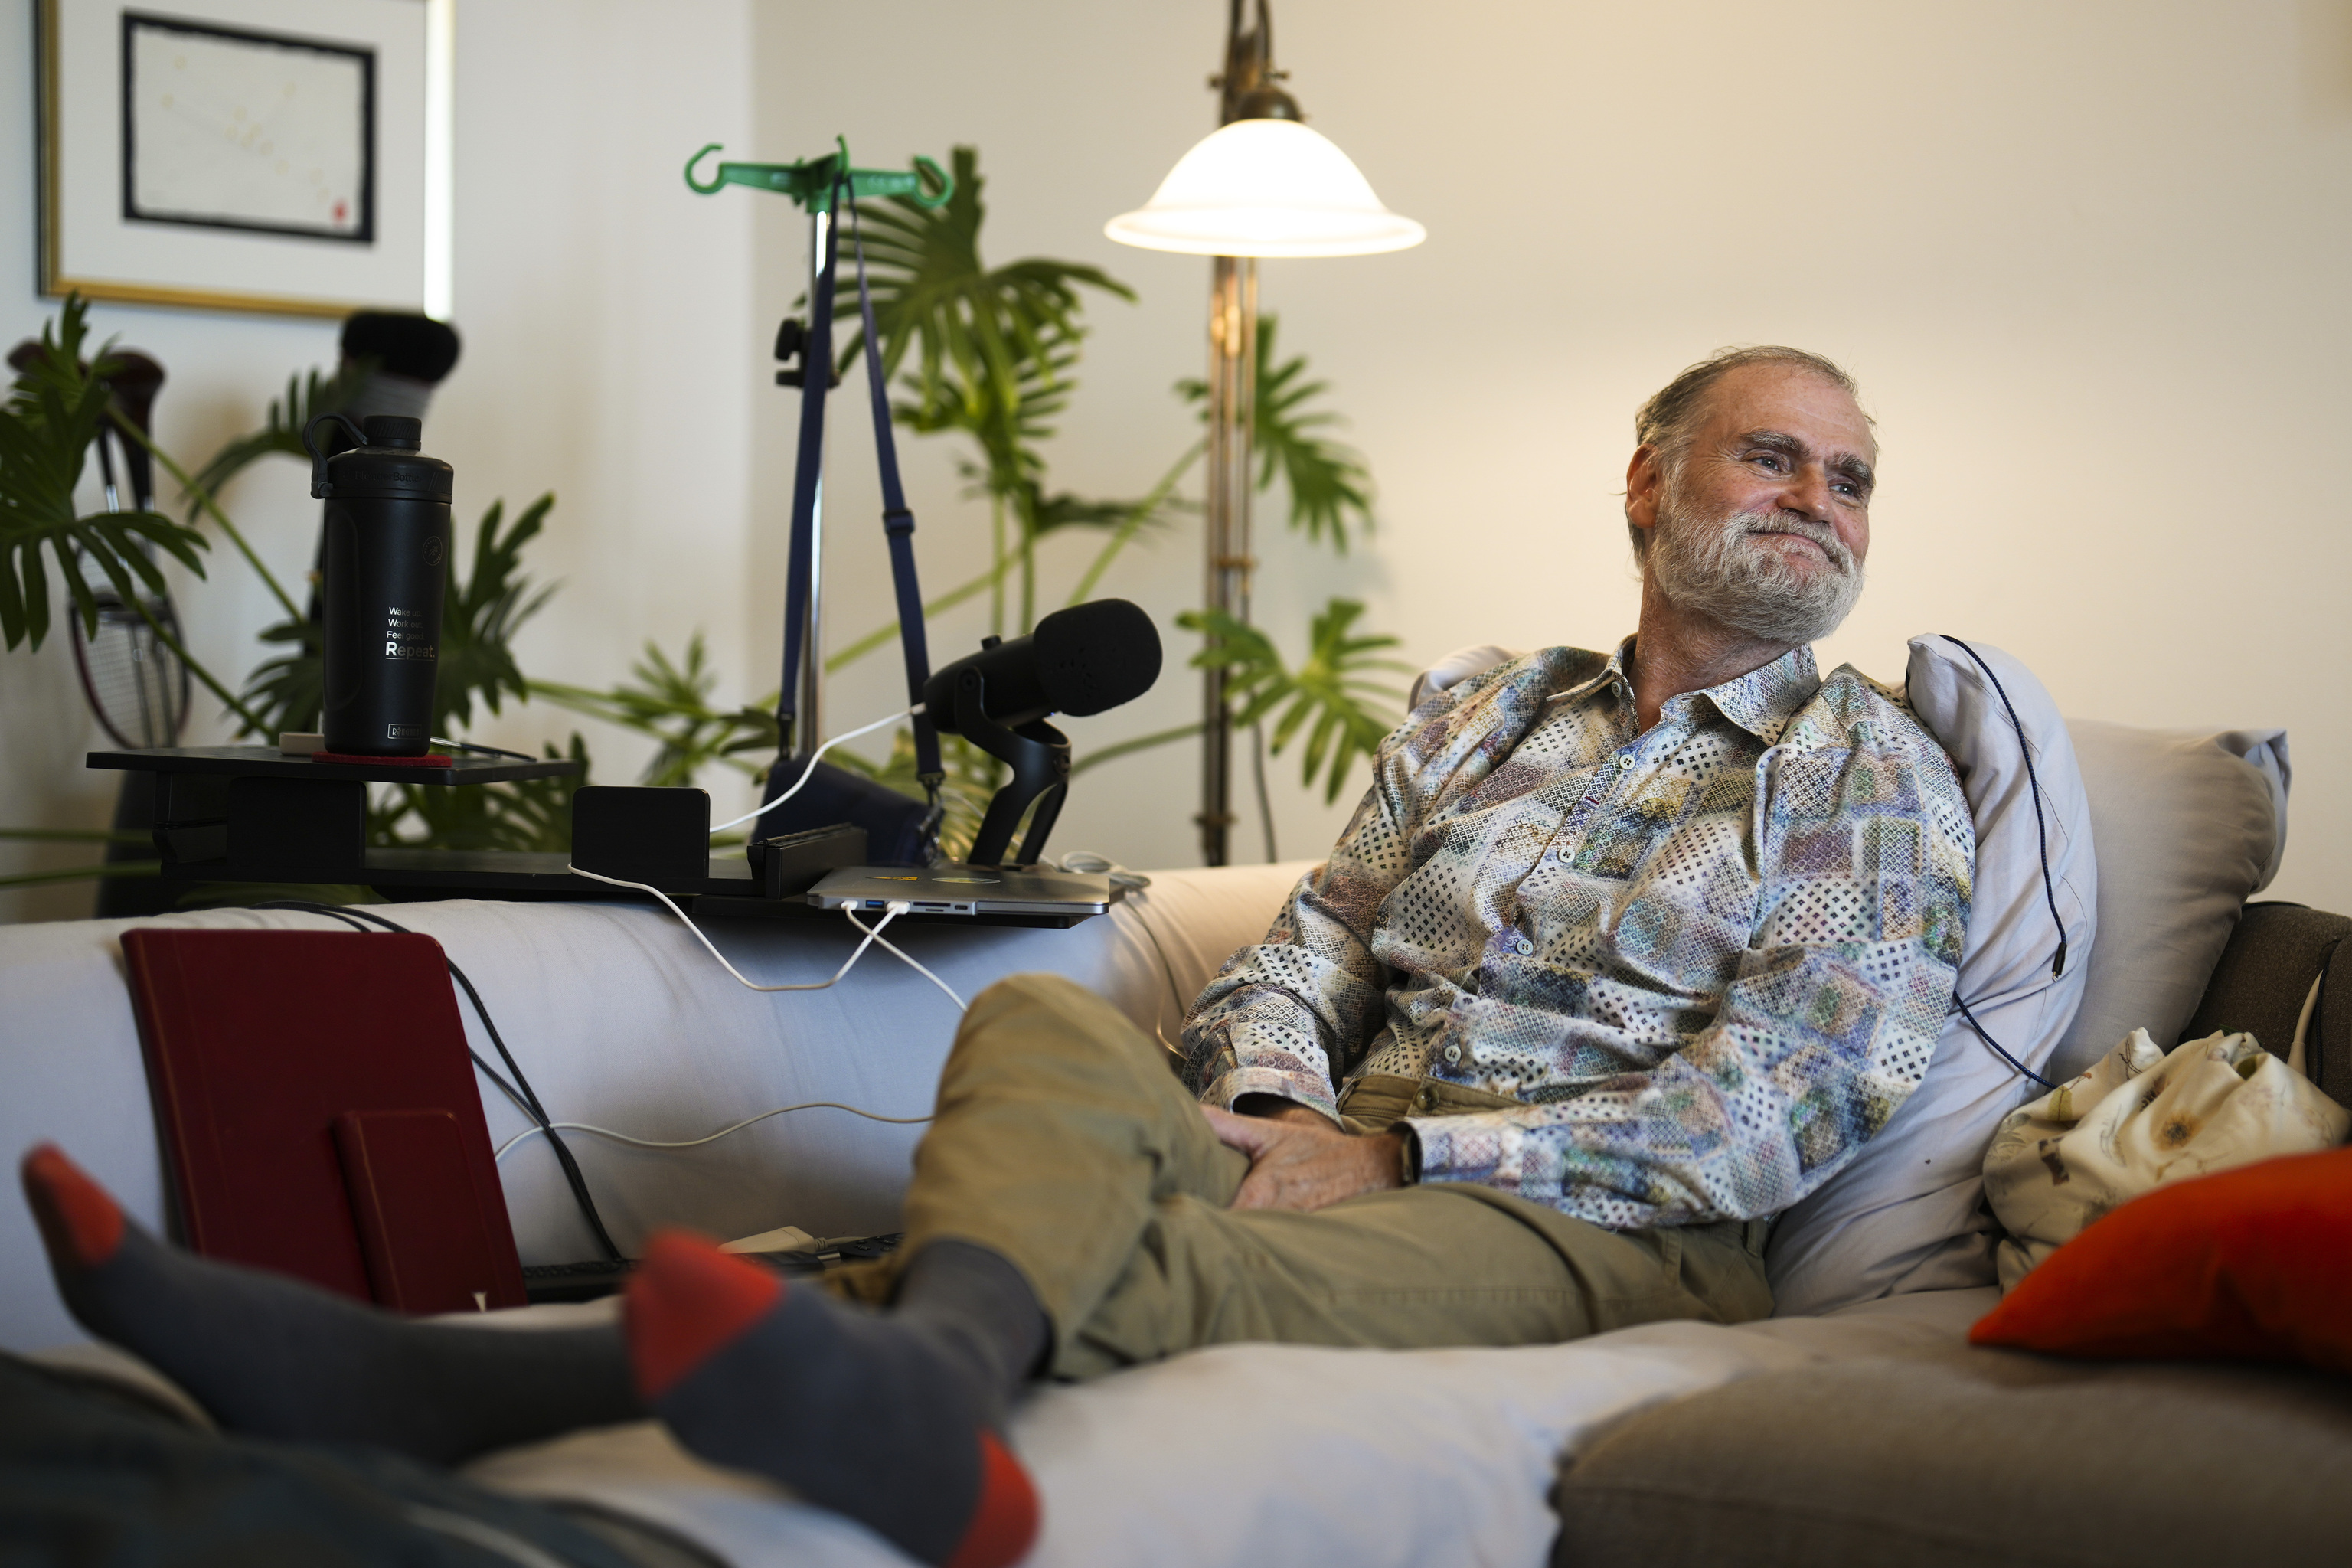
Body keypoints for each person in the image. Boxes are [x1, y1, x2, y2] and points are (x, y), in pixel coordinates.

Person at [21, 345, 1972, 1568]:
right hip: (1312, 1133)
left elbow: (1776, 1105)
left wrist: (1400, 1159)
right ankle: (928, 1384)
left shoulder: (1858, 768)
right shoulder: (1484, 711)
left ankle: (447, 1387)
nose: (1818, 500)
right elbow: (1320, 940)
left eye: (1850, 475)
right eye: (1771, 456)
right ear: (1650, 485)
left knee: (1179, 1253)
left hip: (1585, 1214)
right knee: (1047, 1016)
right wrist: (1276, 1095)